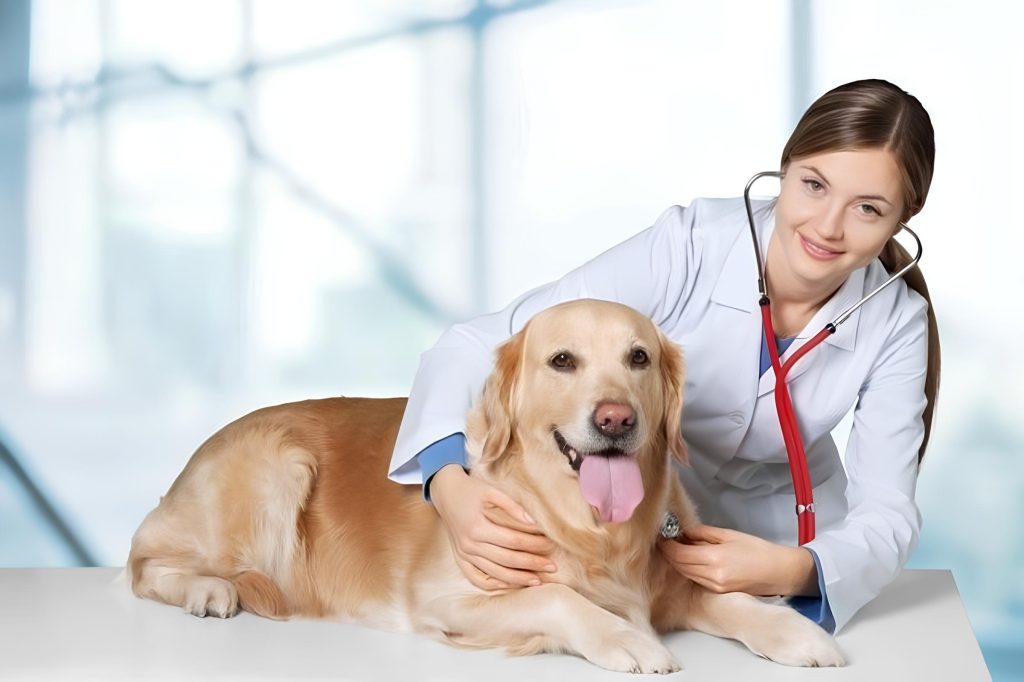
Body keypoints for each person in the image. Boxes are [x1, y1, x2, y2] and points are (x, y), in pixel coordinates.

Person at [386, 78, 940, 634]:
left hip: (780, 545)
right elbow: (483, 343)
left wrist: (797, 569)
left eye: (868, 208)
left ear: (903, 219)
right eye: (814, 185)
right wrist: (448, 484)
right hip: (645, 529)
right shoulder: (692, 244)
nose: (827, 226)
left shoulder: (896, 323)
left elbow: (888, 510)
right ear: (785, 166)